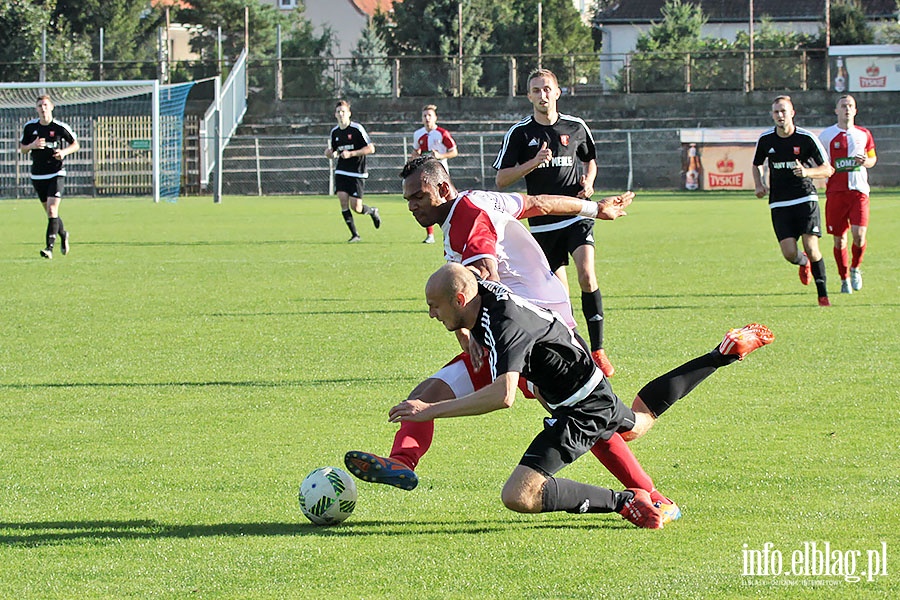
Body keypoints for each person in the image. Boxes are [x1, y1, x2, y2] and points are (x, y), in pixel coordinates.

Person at [346, 155, 682, 523]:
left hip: (540, 340)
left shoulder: (464, 219)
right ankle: (401, 463)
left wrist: (472, 332)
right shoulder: (479, 200)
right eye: (407, 200)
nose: (412, 206)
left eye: (419, 197)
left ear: (443, 188)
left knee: (586, 420)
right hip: (516, 332)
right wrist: (593, 209)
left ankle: (648, 496)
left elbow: (481, 277)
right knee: (429, 393)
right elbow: (538, 204)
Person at [388, 263, 773, 527]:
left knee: (519, 495)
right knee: (637, 423)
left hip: (580, 407)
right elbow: (475, 275)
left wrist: (430, 410)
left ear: (458, 301)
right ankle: (720, 355)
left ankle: (628, 501)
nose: (430, 314)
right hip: (578, 389)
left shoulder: (506, 322)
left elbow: (502, 396)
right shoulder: (479, 296)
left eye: (433, 306)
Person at [493, 69, 615, 377]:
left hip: (577, 215)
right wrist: (533, 163)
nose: (542, 95)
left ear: (557, 92)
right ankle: (578, 353)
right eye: (536, 90)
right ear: (529, 96)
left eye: (547, 89)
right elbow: (501, 179)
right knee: (561, 298)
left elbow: (590, 159)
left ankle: (599, 351)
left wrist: (588, 182)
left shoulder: (575, 127)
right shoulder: (520, 134)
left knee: (587, 275)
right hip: (543, 225)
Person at [752, 95, 835, 306]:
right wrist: (759, 184)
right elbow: (757, 164)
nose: (780, 115)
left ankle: (823, 294)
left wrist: (807, 172)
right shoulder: (766, 139)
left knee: (811, 245)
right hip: (779, 202)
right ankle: (803, 262)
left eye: (783, 111)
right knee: (789, 253)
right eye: (776, 112)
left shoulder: (806, 138)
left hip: (805, 198)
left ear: (792, 113)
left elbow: (827, 169)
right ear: (772, 115)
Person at [818, 95, 877, 294]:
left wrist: (865, 162)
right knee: (839, 239)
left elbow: (872, 158)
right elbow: (820, 161)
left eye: (850, 106)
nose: (847, 109)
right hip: (836, 193)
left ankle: (855, 268)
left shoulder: (864, 134)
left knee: (859, 235)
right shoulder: (826, 136)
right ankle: (844, 279)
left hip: (859, 191)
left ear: (855, 110)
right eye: (843, 106)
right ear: (836, 110)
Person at [19, 95, 79, 259]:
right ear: (36, 109)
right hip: (38, 175)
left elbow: (75, 144)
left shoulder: (59, 127)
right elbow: (23, 148)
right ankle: (64, 234)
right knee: (51, 213)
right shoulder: (30, 127)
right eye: (39, 106)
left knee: (53, 209)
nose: (43, 108)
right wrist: (32, 145)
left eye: (45, 105)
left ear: (51, 107)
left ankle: (49, 248)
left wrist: (63, 152)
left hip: (56, 173)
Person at [325, 100, 381, 242]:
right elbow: (334, 151)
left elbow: (370, 148)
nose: (341, 114)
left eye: (343, 111)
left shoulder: (356, 129)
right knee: (342, 199)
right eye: (338, 112)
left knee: (356, 207)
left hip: (357, 171)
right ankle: (355, 235)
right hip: (342, 170)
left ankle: (372, 211)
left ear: (349, 113)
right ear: (335, 115)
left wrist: (351, 154)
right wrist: (329, 153)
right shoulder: (335, 132)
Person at [411, 104, 458, 244]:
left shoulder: (442, 134)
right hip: (424, 174)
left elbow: (454, 151)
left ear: (435, 117)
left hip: (441, 174)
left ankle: (452, 231)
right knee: (426, 201)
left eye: (429, 115)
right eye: (424, 116)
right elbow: (415, 151)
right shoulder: (418, 134)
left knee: (447, 201)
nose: (427, 118)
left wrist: (440, 155)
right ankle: (430, 235)